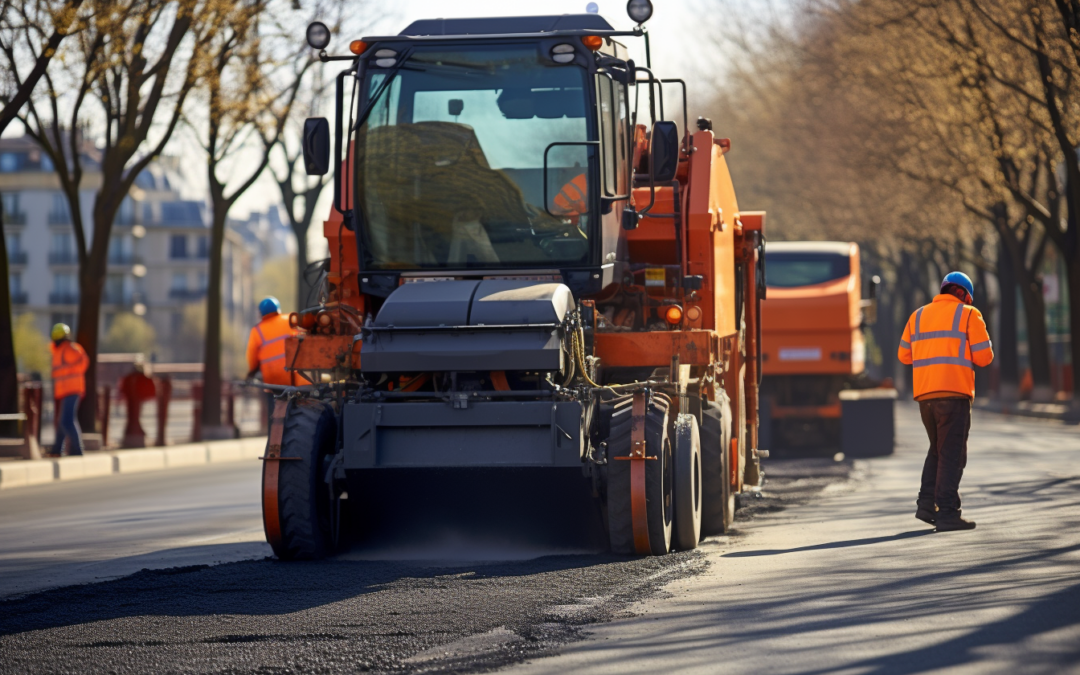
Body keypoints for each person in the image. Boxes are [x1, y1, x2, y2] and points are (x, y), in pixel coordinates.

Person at [898, 272, 994, 532]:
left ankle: (927, 505)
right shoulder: (968, 314)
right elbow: (984, 357)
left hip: (926, 397)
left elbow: (904, 355)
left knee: (938, 450)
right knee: (952, 454)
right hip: (954, 394)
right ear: (963, 294)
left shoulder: (917, 316)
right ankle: (948, 512)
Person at [49, 323, 88, 457]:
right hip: (66, 390)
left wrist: (68, 371)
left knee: (67, 420)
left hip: (72, 390)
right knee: (63, 421)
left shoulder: (70, 348)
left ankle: (77, 450)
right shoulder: (59, 350)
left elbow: (83, 362)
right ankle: (57, 450)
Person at [246, 297, 300, 387]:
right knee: (295, 398)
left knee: (273, 398)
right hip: (292, 373)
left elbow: (252, 355)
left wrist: (252, 372)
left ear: (261, 313)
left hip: (271, 377)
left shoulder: (257, 330)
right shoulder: (290, 320)